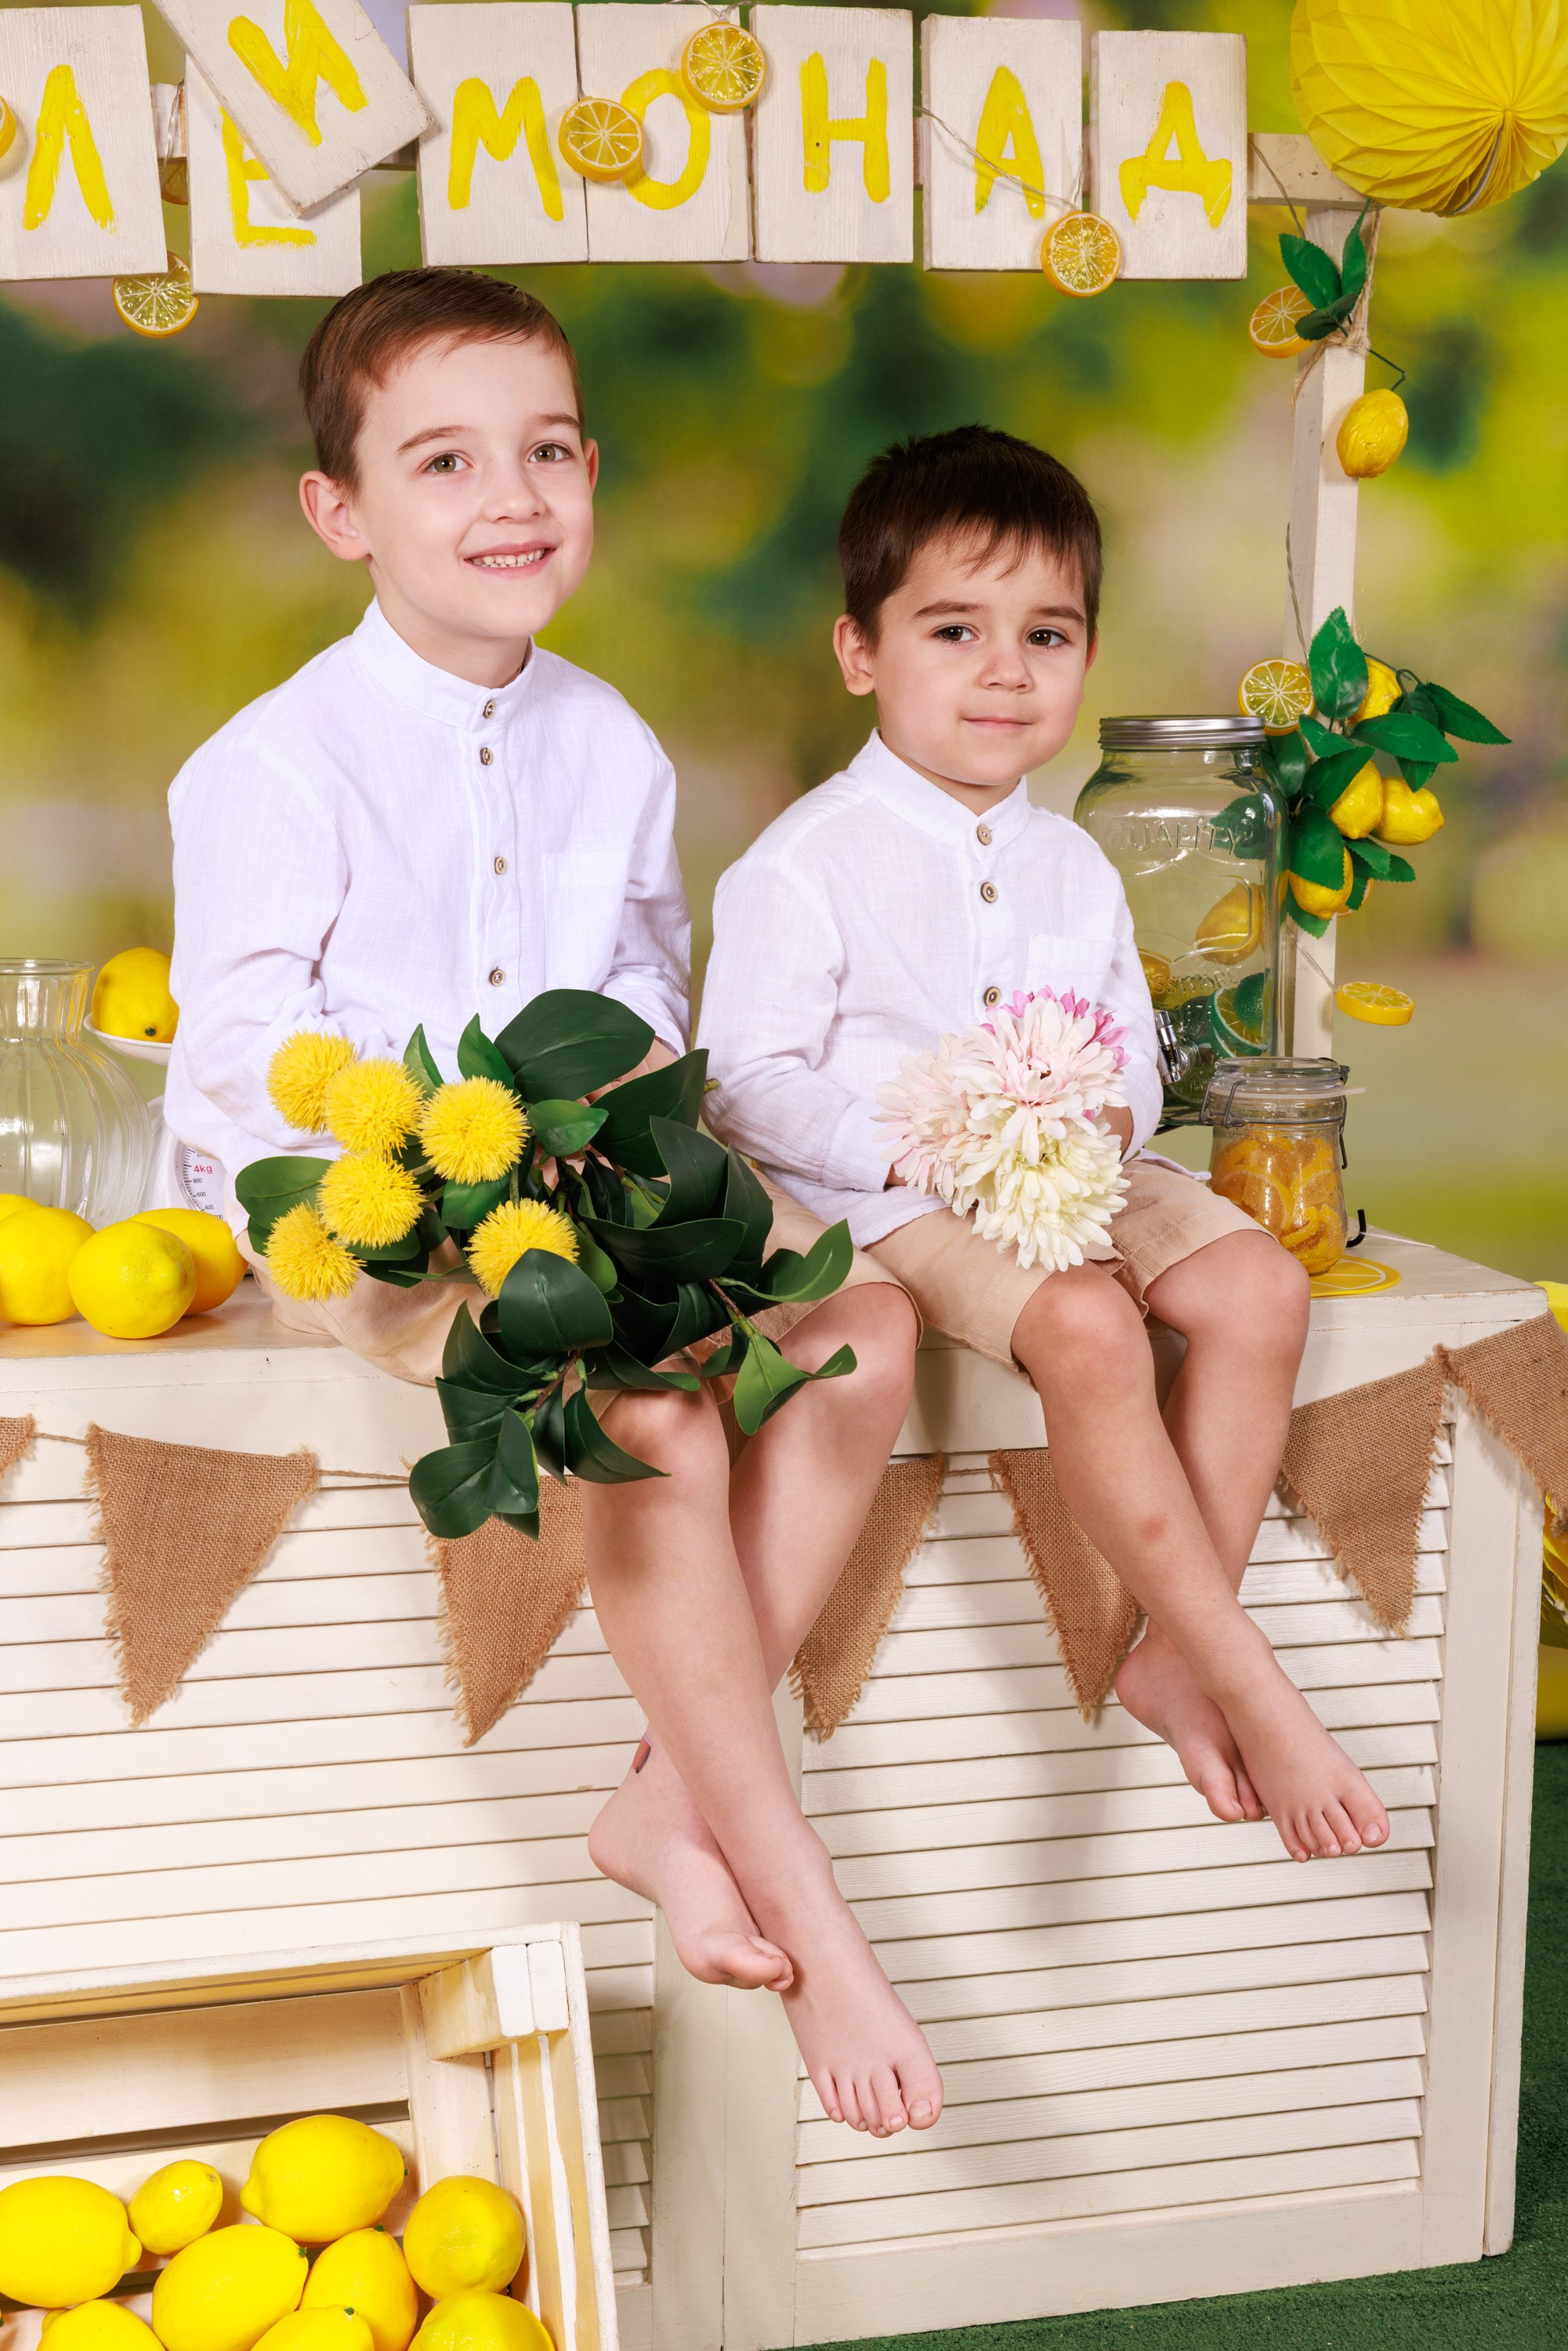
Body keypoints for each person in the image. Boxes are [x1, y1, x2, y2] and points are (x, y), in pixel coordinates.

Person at [165, 269, 935, 2140]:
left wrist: (632, 1137)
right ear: (341, 511)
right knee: (645, 1405)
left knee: (865, 1330)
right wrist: (458, 1155)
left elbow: (654, 989)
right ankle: (804, 1904)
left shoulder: (610, 739)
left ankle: (664, 1796)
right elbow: (240, 1061)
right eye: (445, 461)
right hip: (375, 1197)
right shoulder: (270, 763)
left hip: (595, 1165)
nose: (513, 496)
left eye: (549, 449)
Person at [699, 424, 1392, 1871]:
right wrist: (928, 1153)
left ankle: (1166, 1654)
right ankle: (1249, 1675)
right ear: (859, 652)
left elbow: (1130, 1055)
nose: (1005, 670)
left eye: (1047, 633)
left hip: (1072, 1162)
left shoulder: (1076, 859)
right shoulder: (802, 861)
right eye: (954, 630)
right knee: (1083, 1327)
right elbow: (749, 1083)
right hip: (891, 1184)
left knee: (1257, 1292)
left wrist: (1097, 1128)